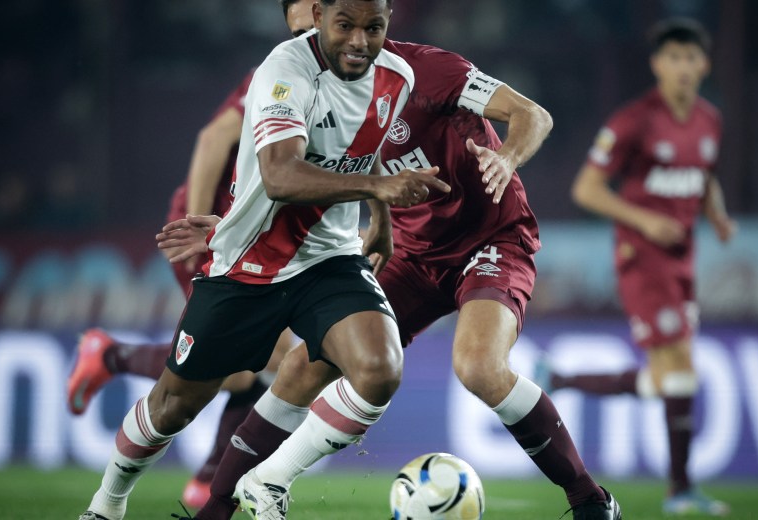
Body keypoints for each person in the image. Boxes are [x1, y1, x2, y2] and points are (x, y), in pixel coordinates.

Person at [158, 2, 621, 519]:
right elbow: (337, 172)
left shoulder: (431, 71)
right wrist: (377, 223)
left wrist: (506, 157)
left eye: (342, 30)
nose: (323, 46)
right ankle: (226, 503)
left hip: (490, 239)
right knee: (304, 364)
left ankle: (590, 500)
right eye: (303, 37)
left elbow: (533, 114)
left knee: (479, 367)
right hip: (414, 253)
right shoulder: (313, 93)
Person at [76, 1, 452, 518]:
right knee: (173, 406)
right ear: (320, 16)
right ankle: (107, 503)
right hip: (249, 261)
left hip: (330, 257)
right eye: (346, 26)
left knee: (380, 368)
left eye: (375, 27)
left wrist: (380, 219)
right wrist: (380, 188)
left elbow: (370, 146)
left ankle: (269, 478)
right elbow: (280, 176)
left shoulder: (398, 76)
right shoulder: (282, 70)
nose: (361, 41)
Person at [66, 3, 317, 509]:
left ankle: (207, 477)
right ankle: (115, 362)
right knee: (257, 360)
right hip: (214, 231)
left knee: (255, 364)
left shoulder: (355, 82)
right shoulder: (282, 71)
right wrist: (200, 226)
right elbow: (213, 138)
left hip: (258, 236)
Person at [537, 17, 735, 516]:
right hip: (642, 259)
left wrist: (717, 213)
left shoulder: (710, 119)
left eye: (692, 58)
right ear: (657, 64)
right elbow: (586, 189)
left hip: (683, 258)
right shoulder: (634, 120)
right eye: (673, 58)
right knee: (680, 370)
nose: (683, 68)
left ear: (704, 64)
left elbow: (704, 175)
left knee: (669, 379)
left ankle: (561, 380)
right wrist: (645, 220)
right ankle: (681, 491)